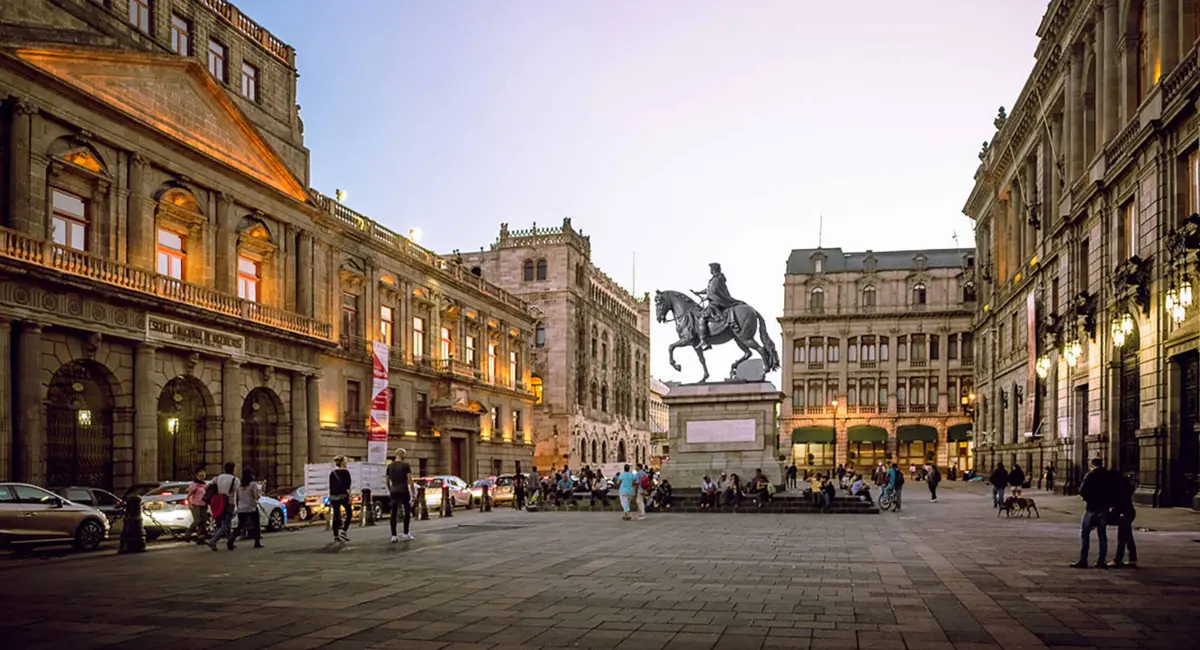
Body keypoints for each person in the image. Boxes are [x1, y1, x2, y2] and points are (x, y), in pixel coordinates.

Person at [693, 262, 744, 350]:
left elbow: (713, 290)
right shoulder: (716, 279)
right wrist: (699, 292)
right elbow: (709, 289)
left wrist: (708, 296)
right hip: (716, 300)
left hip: (717, 302)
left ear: (714, 270)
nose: (711, 271)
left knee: (702, 317)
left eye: (711, 269)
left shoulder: (716, 279)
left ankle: (703, 340)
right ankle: (708, 341)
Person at [1072, 458, 1112, 568]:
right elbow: (1112, 492)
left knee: (1085, 534)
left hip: (1091, 508)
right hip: (1103, 509)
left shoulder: (1090, 476)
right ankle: (1101, 561)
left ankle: (1083, 560)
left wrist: (1089, 499)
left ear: (1092, 466)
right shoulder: (1108, 477)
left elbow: (1082, 490)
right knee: (1102, 534)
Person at [206, 462, 239, 551]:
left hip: (218, 502)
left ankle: (229, 542)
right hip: (229, 503)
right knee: (226, 524)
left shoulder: (217, 478)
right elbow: (237, 492)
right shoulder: (235, 480)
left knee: (219, 523)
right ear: (233, 469)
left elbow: (208, 487)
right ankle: (213, 540)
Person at [1108, 471, 1138, 568]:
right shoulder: (1125, 486)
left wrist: (1114, 513)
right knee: (1127, 535)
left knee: (1122, 537)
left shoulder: (1119, 490)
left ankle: (1118, 559)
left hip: (1124, 513)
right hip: (1129, 512)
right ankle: (1132, 559)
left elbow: (1119, 504)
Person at [387, 448, 415, 543]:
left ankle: (393, 535)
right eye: (405, 454)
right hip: (403, 490)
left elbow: (387, 480)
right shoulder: (405, 465)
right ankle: (405, 533)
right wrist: (413, 493)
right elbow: (410, 480)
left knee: (393, 513)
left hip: (394, 490)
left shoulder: (390, 466)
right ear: (402, 455)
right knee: (407, 511)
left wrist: (390, 489)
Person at [231, 468, 264, 549]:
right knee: (256, 524)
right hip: (251, 507)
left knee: (240, 525)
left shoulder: (240, 485)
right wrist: (258, 496)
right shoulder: (253, 484)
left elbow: (237, 497)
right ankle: (257, 542)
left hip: (241, 508)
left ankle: (231, 540)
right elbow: (256, 496)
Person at [328, 456, 353, 542]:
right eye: (346, 461)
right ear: (343, 463)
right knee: (349, 513)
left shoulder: (332, 473)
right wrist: (350, 496)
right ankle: (344, 531)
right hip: (343, 496)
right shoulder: (346, 473)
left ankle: (335, 535)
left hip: (334, 497)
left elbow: (331, 487)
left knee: (336, 515)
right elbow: (348, 486)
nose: (346, 463)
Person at [183, 468, 208, 544]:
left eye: (203, 475)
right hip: (195, 504)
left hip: (203, 504)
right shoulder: (194, 485)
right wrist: (189, 504)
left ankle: (201, 538)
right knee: (197, 520)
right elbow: (188, 496)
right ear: (196, 476)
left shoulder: (204, 484)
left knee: (203, 521)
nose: (202, 477)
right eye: (200, 476)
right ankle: (187, 534)